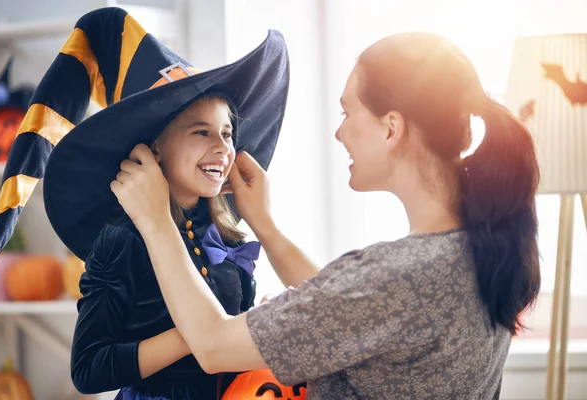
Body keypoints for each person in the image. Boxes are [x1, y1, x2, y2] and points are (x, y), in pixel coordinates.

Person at [112, 31, 541, 399]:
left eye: (347, 112)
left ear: (391, 128)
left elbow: (213, 346)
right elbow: (354, 309)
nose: (340, 132)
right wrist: (264, 223)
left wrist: (155, 221)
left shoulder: (398, 274)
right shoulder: (479, 247)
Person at [0, 7, 289, 400]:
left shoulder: (227, 237)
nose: (223, 148)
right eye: (202, 132)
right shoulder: (122, 239)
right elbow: (88, 369)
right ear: (156, 147)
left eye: (228, 133)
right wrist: (200, 332)